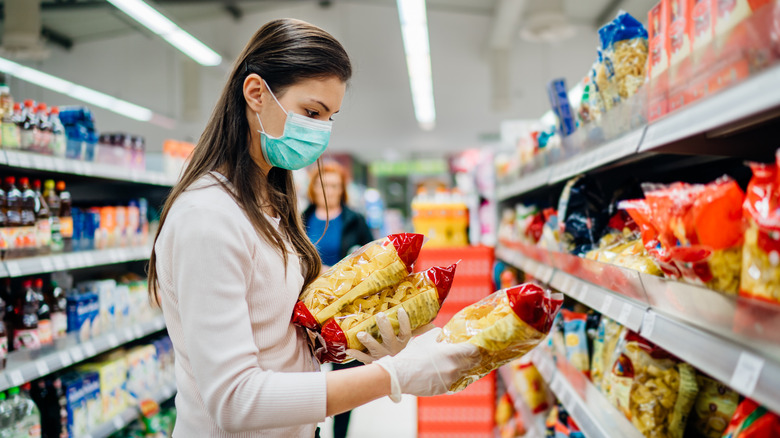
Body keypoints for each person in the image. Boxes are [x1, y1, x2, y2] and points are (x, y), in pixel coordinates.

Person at [148, 18, 480, 438]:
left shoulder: (272, 203)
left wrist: (358, 336)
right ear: (255, 94)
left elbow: (276, 330)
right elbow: (233, 400)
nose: (321, 131)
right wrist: (392, 377)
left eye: (330, 117)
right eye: (311, 112)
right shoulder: (207, 217)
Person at [303, 162, 373, 438]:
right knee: (307, 371)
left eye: (334, 185)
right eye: (323, 184)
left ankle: (339, 433)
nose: (328, 190)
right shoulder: (301, 218)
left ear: (342, 190)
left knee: (345, 373)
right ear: (313, 188)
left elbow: (371, 258)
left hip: (346, 310)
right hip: (310, 308)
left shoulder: (355, 220)